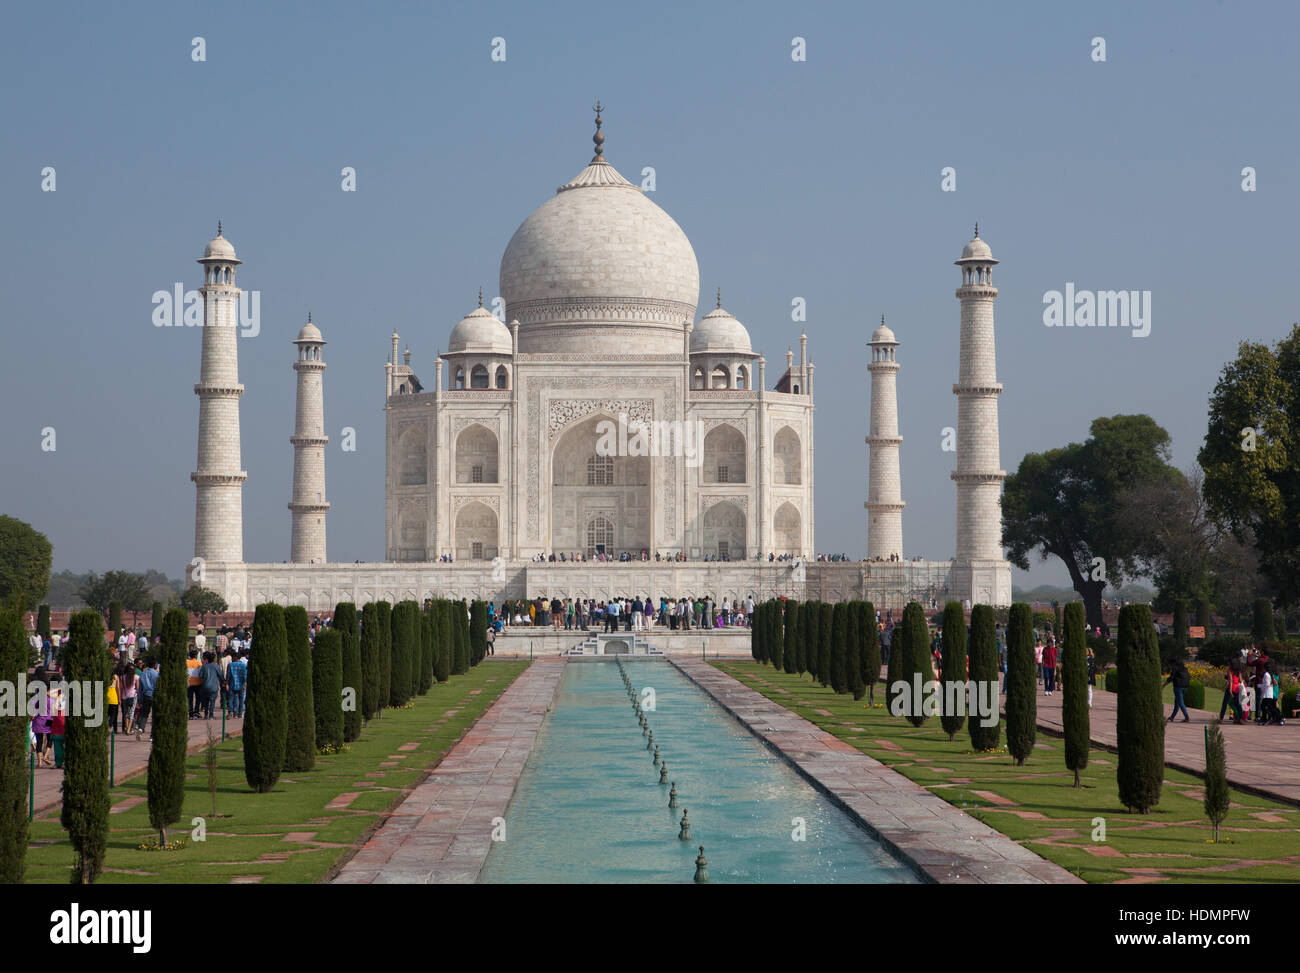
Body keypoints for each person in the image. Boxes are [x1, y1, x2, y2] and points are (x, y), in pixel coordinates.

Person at [136, 657, 159, 738]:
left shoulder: (143, 673)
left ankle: (141, 728)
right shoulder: (156, 674)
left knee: (144, 714)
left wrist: (140, 699)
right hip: (154, 695)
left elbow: (140, 688)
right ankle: (152, 735)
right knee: (155, 715)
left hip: (146, 695)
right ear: (155, 665)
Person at [1165, 658, 1191, 723]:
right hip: (1185, 687)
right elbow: (1189, 677)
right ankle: (1172, 717)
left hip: (1178, 687)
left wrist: (1163, 685)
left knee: (1180, 703)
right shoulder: (1185, 669)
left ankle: (1187, 717)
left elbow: (1171, 678)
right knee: (1177, 702)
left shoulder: (1175, 668)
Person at [198, 651, 223, 719]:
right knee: (212, 701)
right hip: (214, 686)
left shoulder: (204, 666)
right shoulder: (216, 666)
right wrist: (222, 682)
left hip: (205, 686)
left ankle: (206, 714)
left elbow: (200, 676)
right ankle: (211, 715)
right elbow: (221, 675)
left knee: (206, 701)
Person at [227, 650, 248, 718]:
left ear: (235, 657)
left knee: (231, 699)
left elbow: (228, 676)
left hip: (232, 685)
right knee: (241, 700)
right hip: (241, 685)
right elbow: (245, 676)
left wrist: (227, 684)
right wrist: (245, 685)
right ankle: (239, 713)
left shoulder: (230, 665)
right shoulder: (244, 665)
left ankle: (231, 712)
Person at [186, 648, 202, 718]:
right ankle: (196, 711)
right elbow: (201, 673)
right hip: (198, 683)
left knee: (190, 699)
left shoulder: (186, 663)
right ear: (195, 656)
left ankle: (191, 712)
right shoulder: (199, 663)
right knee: (198, 698)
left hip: (189, 683)